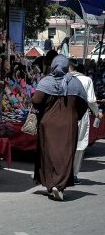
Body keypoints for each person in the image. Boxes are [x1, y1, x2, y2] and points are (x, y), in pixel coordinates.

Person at [32, 55, 88, 201]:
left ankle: (51, 185)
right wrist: (74, 116)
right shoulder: (75, 83)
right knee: (65, 155)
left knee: (48, 154)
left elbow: (36, 100)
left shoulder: (46, 82)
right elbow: (83, 105)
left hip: (48, 124)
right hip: (69, 125)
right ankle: (59, 186)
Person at [69, 58, 100, 184]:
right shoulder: (86, 80)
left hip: (63, 115)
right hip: (81, 116)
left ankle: (62, 173)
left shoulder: (62, 78)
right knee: (79, 146)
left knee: (64, 144)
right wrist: (97, 113)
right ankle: (73, 175)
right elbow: (91, 100)